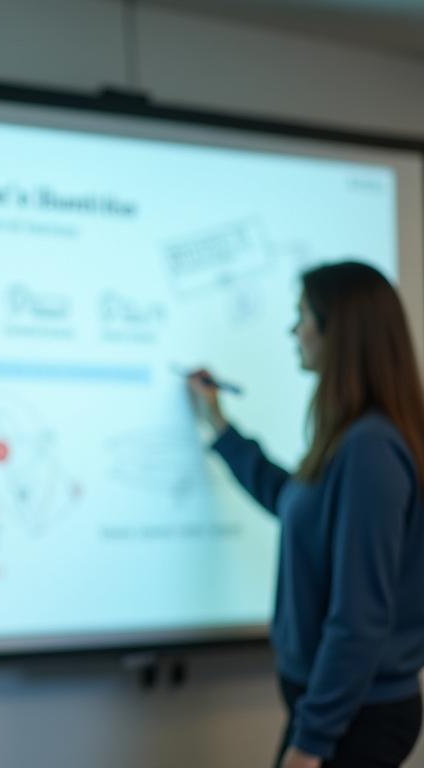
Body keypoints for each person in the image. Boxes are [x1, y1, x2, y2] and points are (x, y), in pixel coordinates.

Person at [189, 261, 424, 768]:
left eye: (301, 318)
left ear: (337, 330)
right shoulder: (352, 438)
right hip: (339, 707)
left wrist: (310, 743)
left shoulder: (371, 449)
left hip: (358, 714)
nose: (294, 332)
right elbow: (290, 500)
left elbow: (359, 617)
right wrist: (218, 423)